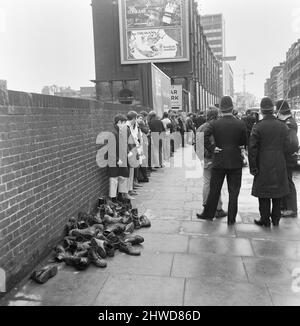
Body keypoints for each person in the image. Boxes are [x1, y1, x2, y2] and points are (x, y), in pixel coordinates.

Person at [197, 96, 247, 225]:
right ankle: (231, 219)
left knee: (214, 190)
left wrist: (213, 148)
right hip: (235, 161)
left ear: (220, 109)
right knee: (234, 193)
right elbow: (244, 141)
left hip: (219, 160)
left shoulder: (215, 123)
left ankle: (209, 215)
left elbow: (204, 135)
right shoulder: (240, 123)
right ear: (232, 108)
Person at [248, 97, 290, 227]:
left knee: (264, 194)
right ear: (273, 110)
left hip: (263, 163)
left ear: (261, 110)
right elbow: (288, 146)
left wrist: (253, 167)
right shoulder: (283, 126)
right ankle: (276, 219)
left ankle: (265, 219)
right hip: (279, 163)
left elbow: (252, 149)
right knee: (277, 193)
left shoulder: (258, 127)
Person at [196, 107, 227, 218]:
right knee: (216, 184)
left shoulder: (201, 127)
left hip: (206, 158)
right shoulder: (218, 127)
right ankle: (218, 209)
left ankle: (206, 206)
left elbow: (197, 146)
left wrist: (202, 159)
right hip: (216, 158)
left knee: (207, 183)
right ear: (217, 115)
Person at [276, 100, 299, 218]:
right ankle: (285, 206)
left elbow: (293, 143)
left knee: (288, 182)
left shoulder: (289, 124)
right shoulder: (287, 122)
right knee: (285, 181)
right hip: (287, 157)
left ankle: (291, 208)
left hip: (287, 158)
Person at [107, 114, 130, 203]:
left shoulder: (120, 132)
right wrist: (117, 160)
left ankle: (120, 195)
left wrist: (127, 153)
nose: (125, 125)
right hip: (115, 160)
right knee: (114, 180)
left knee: (123, 177)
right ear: (119, 122)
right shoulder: (113, 133)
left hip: (122, 159)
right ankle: (113, 199)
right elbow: (110, 150)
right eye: (124, 123)